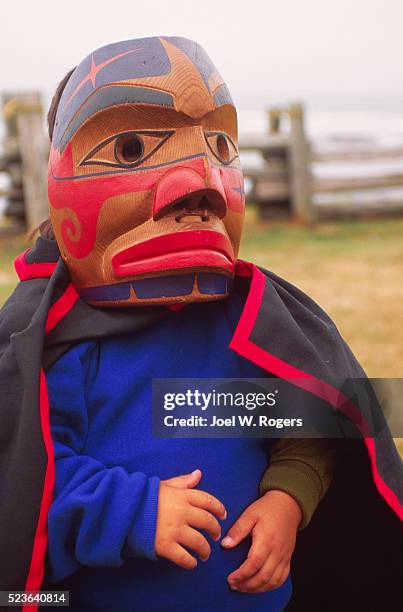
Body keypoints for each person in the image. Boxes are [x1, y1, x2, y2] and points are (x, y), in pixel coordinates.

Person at [0, 36, 401, 612]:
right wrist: (133, 511)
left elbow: (309, 423)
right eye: (134, 147)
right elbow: (23, 481)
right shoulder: (57, 342)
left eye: (219, 144)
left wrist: (289, 498)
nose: (202, 181)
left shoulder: (249, 320)